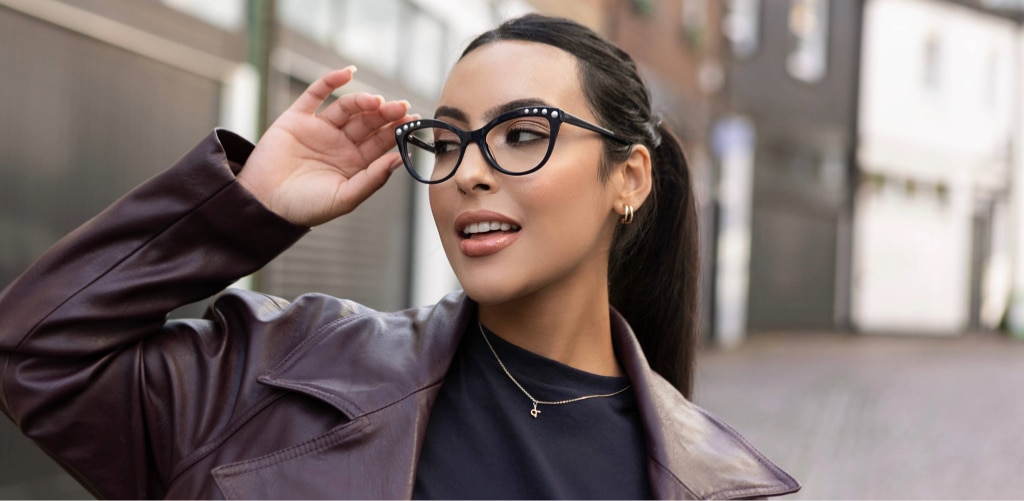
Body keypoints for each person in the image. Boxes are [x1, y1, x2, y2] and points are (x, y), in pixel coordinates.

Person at [0, 14, 799, 500]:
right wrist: (247, 206)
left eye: (521, 134)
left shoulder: (708, 480)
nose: (470, 169)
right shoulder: (283, 374)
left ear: (628, 177)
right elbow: (36, 350)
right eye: (447, 140)